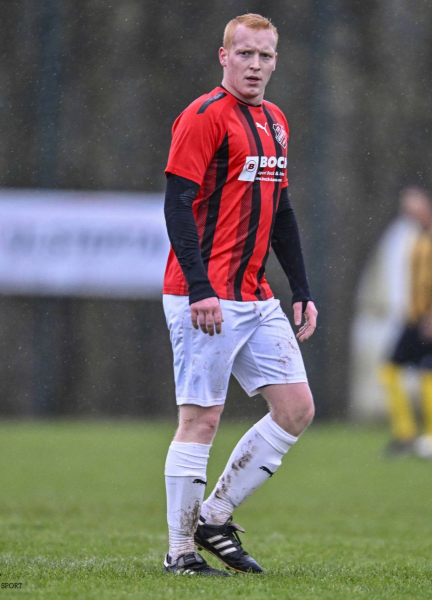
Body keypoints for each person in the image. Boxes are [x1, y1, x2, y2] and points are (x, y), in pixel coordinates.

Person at [161, 14, 317, 576]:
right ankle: (179, 552)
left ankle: (215, 514)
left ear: (276, 60)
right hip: (204, 295)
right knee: (201, 419)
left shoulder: (275, 120)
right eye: (245, 54)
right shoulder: (203, 118)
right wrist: (201, 288)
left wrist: (301, 288)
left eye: (266, 56)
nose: (255, 65)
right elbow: (176, 205)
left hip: (256, 295)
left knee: (297, 409)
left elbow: (282, 212)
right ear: (223, 56)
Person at [379, 187, 432, 458]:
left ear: (427, 207)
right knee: (390, 370)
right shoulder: (415, 236)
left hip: (431, 320)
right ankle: (406, 433)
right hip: (413, 319)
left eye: (412, 209)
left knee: (430, 374)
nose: (409, 214)